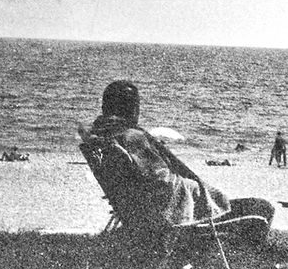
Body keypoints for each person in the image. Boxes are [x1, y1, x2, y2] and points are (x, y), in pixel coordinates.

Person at [81, 80, 234, 227]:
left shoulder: (103, 135)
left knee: (206, 191)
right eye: (136, 106)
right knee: (210, 194)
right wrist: (190, 182)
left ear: (105, 107)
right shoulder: (131, 136)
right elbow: (161, 180)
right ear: (131, 109)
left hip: (131, 204)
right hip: (155, 206)